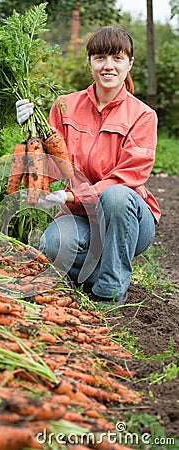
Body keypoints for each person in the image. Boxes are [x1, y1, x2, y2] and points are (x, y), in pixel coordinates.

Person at [16, 26, 161, 306]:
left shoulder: (143, 116)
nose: (109, 66)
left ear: (129, 63)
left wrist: (70, 195)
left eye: (117, 58)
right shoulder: (64, 106)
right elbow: (55, 169)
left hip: (127, 219)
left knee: (115, 195)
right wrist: (30, 133)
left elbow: (127, 178)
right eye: (101, 58)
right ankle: (97, 272)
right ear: (90, 62)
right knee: (54, 244)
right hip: (81, 216)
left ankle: (110, 292)